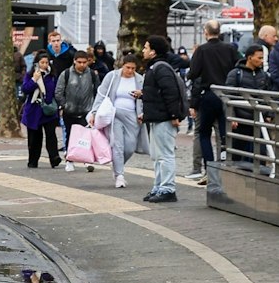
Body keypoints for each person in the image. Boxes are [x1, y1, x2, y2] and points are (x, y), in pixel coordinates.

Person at [187, 20, 241, 184]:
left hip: (209, 94)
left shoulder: (202, 50)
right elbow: (238, 67)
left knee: (204, 133)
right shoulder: (230, 49)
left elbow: (193, 73)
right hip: (227, 94)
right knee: (223, 134)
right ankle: (224, 166)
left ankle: (209, 168)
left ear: (206, 32)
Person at [140, 36, 187, 203]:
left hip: (163, 118)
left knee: (165, 154)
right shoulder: (157, 67)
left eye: (146, 47)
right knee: (157, 155)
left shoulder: (159, 68)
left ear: (153, 51)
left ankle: (167, 188)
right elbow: (159, 93)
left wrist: (174, 115)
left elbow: (170, 93)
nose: (143, 50)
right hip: (157, 117)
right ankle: (160, 186)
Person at [222, 41, 275, 169]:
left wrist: (269, 113)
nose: (262, 61)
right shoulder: (235, 74)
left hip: (259, 120)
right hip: (241, 120)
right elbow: (227, 96)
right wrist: (232, 116)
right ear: (249, 57)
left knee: (261, 153)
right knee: (236, 152)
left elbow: (268, 96)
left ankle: (259, 178)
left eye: (263, 58)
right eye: (259, 58)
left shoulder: (264, 75)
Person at [96, 56, 143, 188]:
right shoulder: (112, 76)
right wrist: (95, 112)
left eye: (133, 68)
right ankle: (119, 176)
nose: (130, 70)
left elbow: (144, 97)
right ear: (122, 66)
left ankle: (118, 166)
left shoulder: (139, 79)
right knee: (118, 145)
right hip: (114, 114)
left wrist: (142, 112)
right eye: (127, 67)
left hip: (132, 116)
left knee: (130, 147)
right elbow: (101, 94)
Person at [56, 49, 100, 171]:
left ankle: (86, 160)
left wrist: (95, 109)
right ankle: (70, 160)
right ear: (74, 61)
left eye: (84, 62)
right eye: (79, 62)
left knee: (86, 136)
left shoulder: (91, 74)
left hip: (86, 111)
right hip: (70, 111)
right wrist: (64, 105)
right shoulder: (66, 74)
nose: (82, 65)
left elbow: (98, 91)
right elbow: (59, 92)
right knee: (70, 135)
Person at [19, 54, 64, 170]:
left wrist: (59, 106)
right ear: (37, 63)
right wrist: (34, 79)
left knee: (51, 135)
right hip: (34, 110)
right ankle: (33, 160)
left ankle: (54, 158)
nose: (44, 65)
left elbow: (56, 91)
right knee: (34, 137)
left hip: (49, 110)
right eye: (42, 62)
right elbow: (25, 89)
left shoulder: (52, 76)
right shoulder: (31, 75)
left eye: (46, 63)